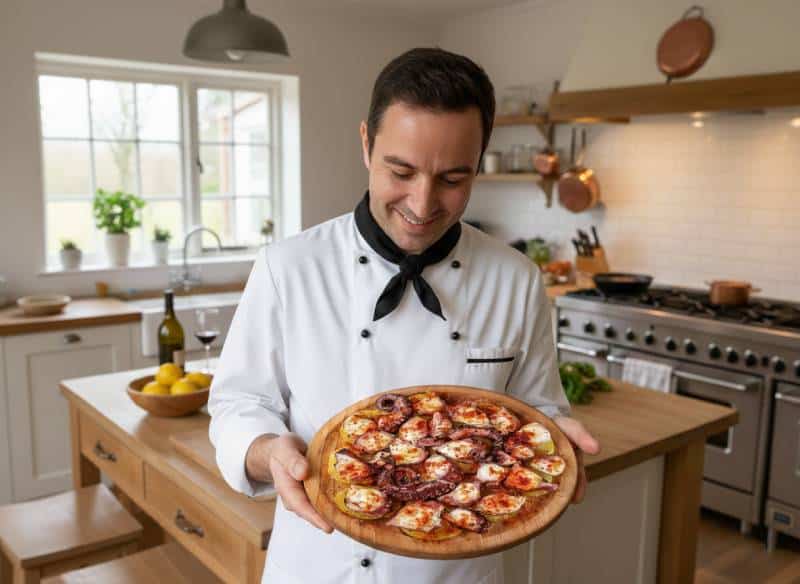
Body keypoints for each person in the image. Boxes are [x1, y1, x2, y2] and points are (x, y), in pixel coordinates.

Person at [208, 46, 600, 584]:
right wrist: (265, 451)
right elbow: (238, 402)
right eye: (401, 171)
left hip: (461, 573)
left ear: (478, 164)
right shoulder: (288, 267)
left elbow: (535, 411)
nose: (422, 203)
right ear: (366, 144)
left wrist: (555, 438)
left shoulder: (517, 279)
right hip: (320, 565)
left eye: (453, 179)